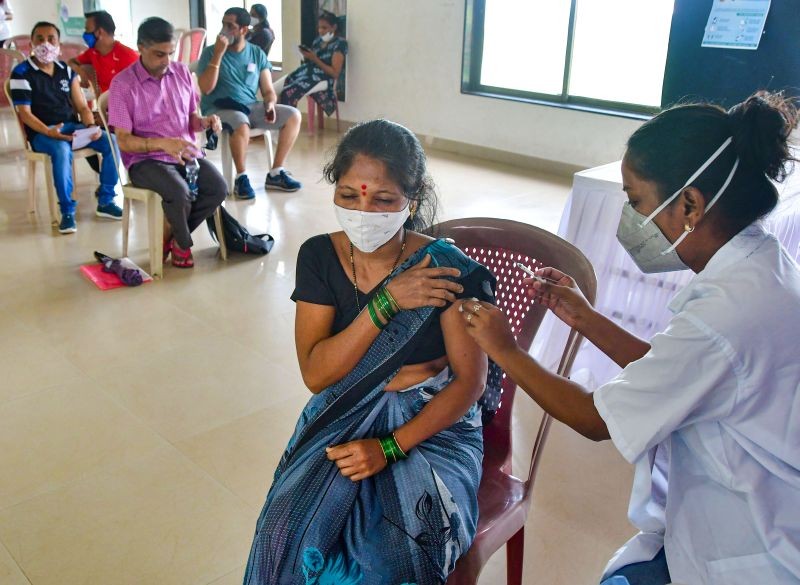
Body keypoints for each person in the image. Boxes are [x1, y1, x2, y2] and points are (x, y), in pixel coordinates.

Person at [459, 92, 800, 585]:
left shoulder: (726, 313)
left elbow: (598, 419)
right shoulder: (764, 266)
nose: (632, 219)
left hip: (751, 547)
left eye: (637, 201)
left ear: (689, 204)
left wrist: (505, 350)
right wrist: (586, 318)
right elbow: (678, 372)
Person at [243, 120, 499, 584]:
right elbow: (317, 375)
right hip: (343, 412)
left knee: (389, 559)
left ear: (412, 201)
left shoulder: (447, 271)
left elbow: (469, 382)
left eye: (383, 199)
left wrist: (388, 446)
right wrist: (385, 302)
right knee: (285, 536)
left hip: (433, 429)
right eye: (348, 195)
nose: (364, 210)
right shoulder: (319, 256)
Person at [108, 17, 227, 268]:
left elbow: (190, 119)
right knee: (179, 193)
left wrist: (204, 122)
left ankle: (172, 239)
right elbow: (124, 142)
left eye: (170, 54)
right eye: (159, 54)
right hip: (145, 161)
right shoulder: (123, 84)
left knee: (218, 187)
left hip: (184, 153)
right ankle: (183, 244)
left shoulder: (181, 72)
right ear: (141, 47)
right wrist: (161, 144)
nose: (166, 61)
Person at [10, 21, 121, 234]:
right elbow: (25, 114)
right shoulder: (21, 73)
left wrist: (90, 127)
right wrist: (49, 132)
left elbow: (81, 105)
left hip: (72, 127)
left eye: (51, 39)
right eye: (40, 39)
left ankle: (106, 200)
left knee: (111, 141)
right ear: (32, 43)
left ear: (58, 43)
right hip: (42, 132)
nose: (46, 44)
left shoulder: (66, 71)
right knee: (61, 150)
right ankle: (67, 212)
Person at [197, 7, 302, 197]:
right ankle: (241, 177)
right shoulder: (210, 52)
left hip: (250, 106)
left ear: (244, 30)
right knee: (240, 122)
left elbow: (268, 90)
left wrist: (270, 104)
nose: (224, 30)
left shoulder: (256, 54)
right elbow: (206, 88)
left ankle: (276, 172)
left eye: (230, 26)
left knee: (293, 115)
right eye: (223, 24)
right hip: (219, 108)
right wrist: (218, 56)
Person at [274, 10, 346, 118]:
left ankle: (288, 122)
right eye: (319, 27)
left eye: (324, 28)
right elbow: (312, 60)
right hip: (307, 72)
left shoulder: (339, 44)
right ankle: (277, 119)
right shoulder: (318, 41)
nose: (321, 31)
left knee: (289, 92)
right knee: (278, 86)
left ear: (334, 27)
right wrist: (305, 56)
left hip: (323, 77)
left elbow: (335, 73)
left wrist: (314, 58)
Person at [68, 10, 138, 94]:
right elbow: (71, 62)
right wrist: (81, 73)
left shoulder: (128, 57)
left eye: (87, 29)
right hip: (103, 103)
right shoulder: (92, 52)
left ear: (99, 32)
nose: (84, 34)